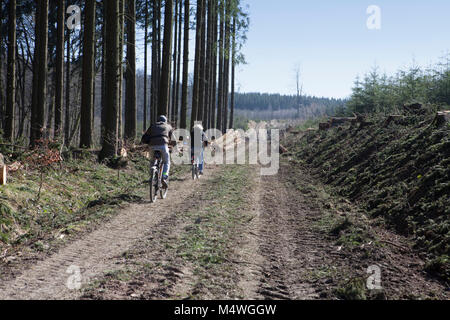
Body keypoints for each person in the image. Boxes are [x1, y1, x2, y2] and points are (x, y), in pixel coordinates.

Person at [141, 115, 176, 188]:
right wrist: (173, 145)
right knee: (166, 162)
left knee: (152, 161)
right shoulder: (168, 126)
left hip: (152, 146)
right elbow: (173, 139)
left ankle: (152, 177)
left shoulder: (152, 126)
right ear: (165, 121)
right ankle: (164, 175)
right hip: (163, 146)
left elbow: (145, 136)